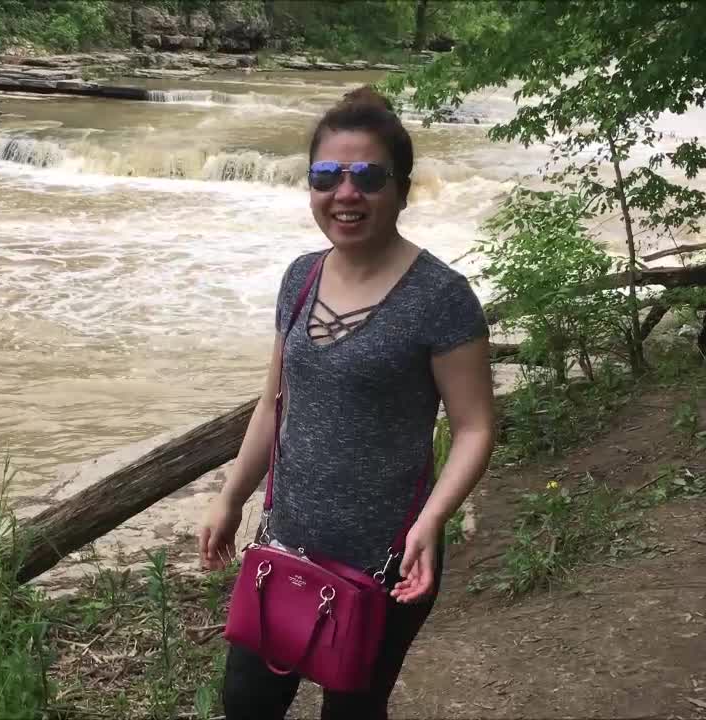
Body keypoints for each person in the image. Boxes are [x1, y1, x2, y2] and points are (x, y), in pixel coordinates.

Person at [198, 86, 497, 719]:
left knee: (353, 713)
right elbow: (273, 404)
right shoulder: (300, 276)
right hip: (287, 544)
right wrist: (230, 497)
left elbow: (473, 428)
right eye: (327, 175)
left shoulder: (441, 297)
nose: (346, 193)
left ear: (402, 188)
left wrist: (430, 524)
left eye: (368, 176)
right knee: (246, 705)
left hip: (389, 557)